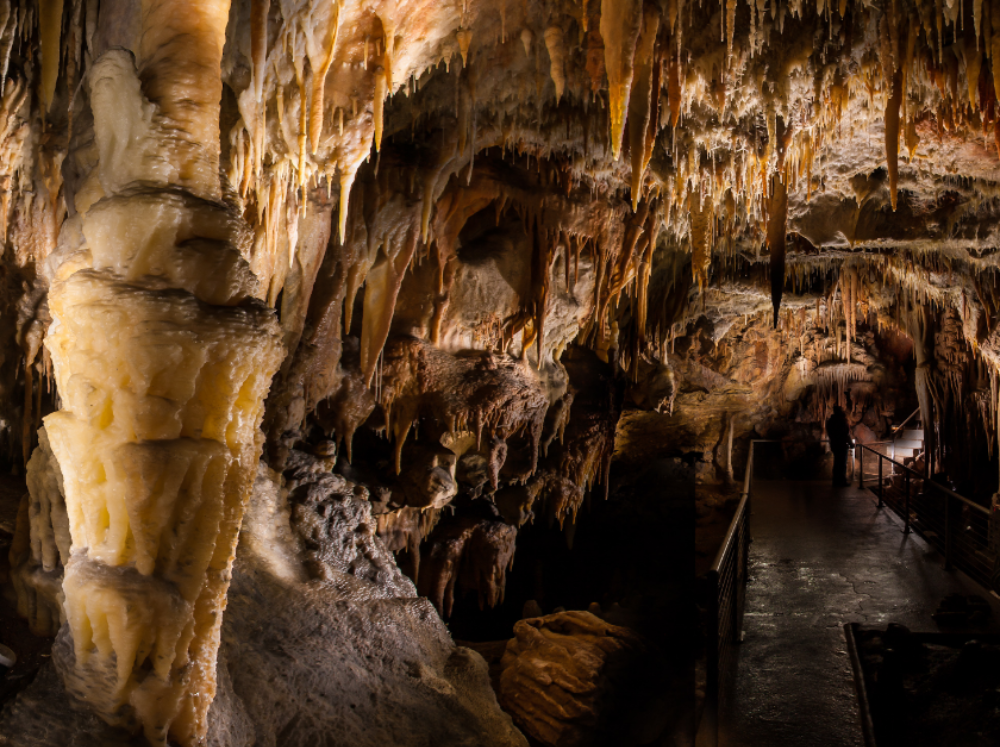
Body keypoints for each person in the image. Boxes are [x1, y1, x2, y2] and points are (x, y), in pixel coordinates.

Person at [826, 405, 852, 487]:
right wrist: (850, 443)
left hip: (834, 444)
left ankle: (836, 481)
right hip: (842, 445)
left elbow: (830, 432)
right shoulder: (841, 421)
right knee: (842, 464)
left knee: (837, 463)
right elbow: (846, 434)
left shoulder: (830, 421)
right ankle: (842, 481)